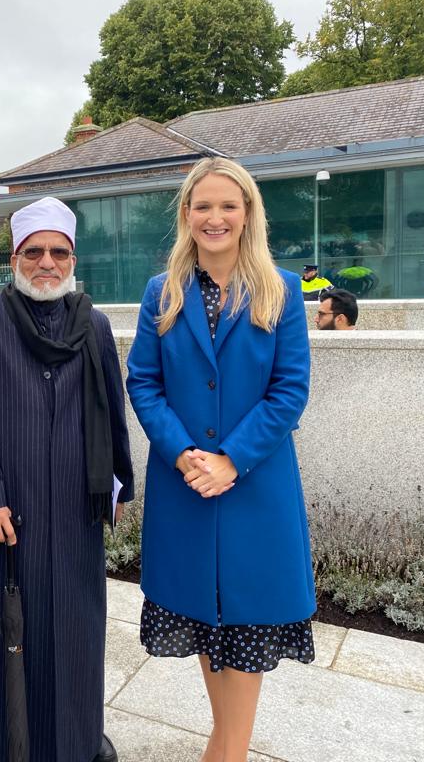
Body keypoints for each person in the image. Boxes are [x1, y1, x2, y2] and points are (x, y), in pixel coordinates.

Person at [126, 158, 315, 762]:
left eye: (228, 206)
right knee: (206, 620)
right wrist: (184, 453)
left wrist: (231, 459)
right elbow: (143, 383)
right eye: (202, 206)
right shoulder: (164, 292)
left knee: (249, 624)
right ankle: (224, 744)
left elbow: (290, 390)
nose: (215, 217)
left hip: (254, 488)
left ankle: (226, 753)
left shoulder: (280, 291)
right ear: (186, 215)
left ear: (248, 214)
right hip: (185, 487)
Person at [0, 196, 134, 762]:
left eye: (59, 251)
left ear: (72, 258)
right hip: (5, 513)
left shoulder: (93, 323)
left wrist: (118, 483)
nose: (46, 262)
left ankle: (74, 743)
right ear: (14, 257)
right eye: (34, 251)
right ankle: (0, 744)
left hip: (75, 511)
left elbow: (111, 405)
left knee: (75, 632)